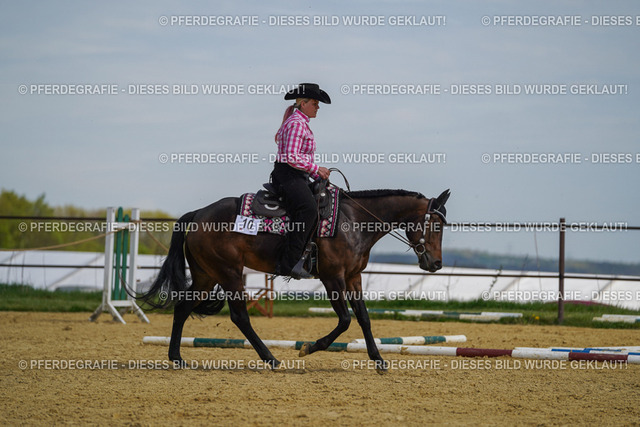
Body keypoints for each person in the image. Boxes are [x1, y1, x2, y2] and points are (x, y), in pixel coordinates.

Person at [271, 83, 332, 279]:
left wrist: (315, 174)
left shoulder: (299, 122)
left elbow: (299, 158)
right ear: (303, 103)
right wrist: (316, 169)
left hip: (295, 175)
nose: (318, 107)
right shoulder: (296, 124)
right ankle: (289, 263)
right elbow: (291, 157)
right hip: (288, 175)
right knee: (308, 209)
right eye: (315, 103)